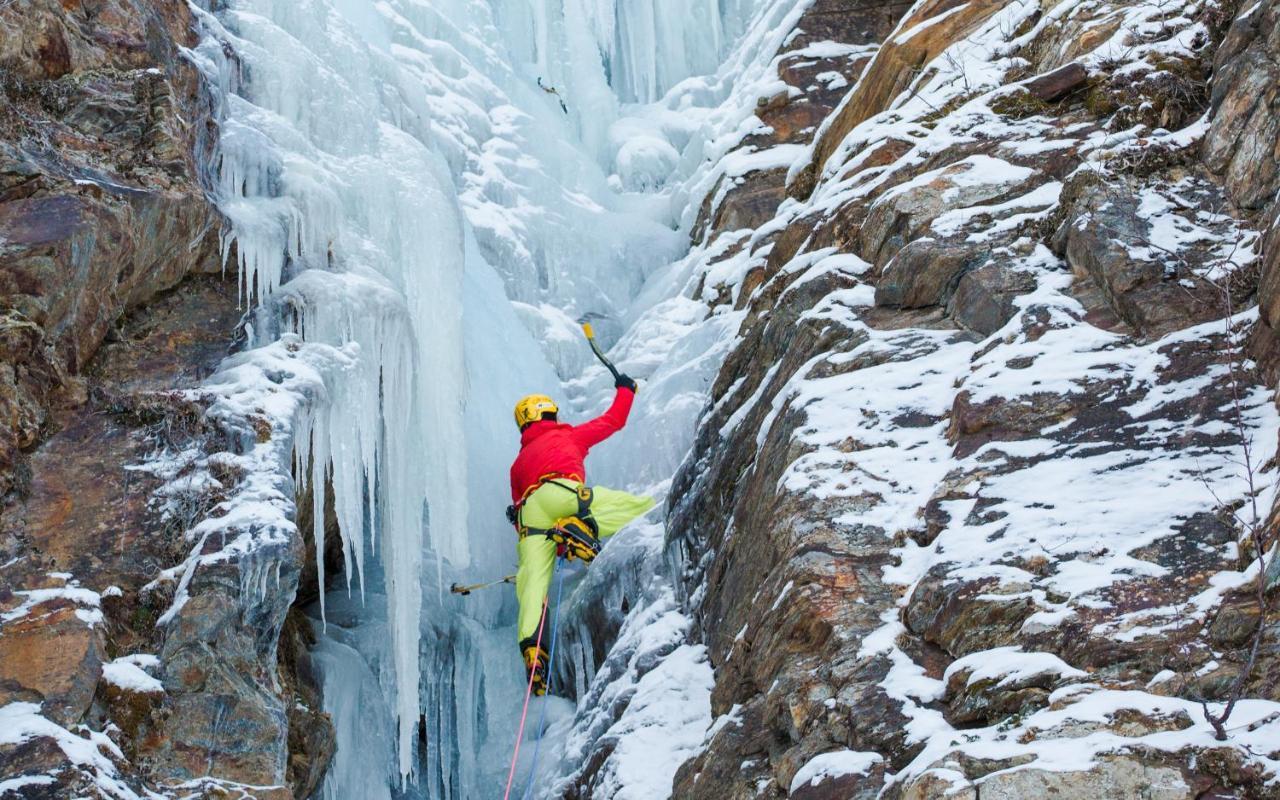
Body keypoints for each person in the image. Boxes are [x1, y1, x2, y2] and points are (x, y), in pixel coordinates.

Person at [507, 375, 654, 695]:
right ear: (546, 413)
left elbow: (518, 514)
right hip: (563, 492)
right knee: (632, 507)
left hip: (530, 513)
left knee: (532, 583)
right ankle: (580, 528)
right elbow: (613, 420)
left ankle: (533, 651)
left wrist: (549, 546)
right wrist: (626, 390)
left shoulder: (518, 464)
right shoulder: (569, 436)